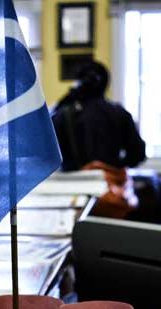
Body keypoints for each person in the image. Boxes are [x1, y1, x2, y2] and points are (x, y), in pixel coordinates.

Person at [51, 61, 147, 218]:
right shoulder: (119, 113)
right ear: (106, 84)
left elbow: (50, 158)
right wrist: (113, 166)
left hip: (72, 199)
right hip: (112, 200)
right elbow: (138, 154)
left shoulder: (61, 115)